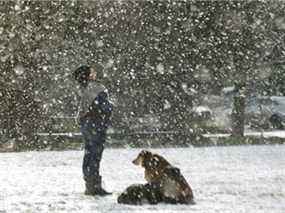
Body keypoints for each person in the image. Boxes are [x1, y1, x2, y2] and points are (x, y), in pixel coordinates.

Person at [73, 64, 113, 196]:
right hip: (96, 123)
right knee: (95, 154)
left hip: (87, 124)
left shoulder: (82, 88)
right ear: (89, 75)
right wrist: (110, 107)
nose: (95, 72)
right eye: (92, 71)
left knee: (89, 153)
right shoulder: (96, 87)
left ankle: (90, 184)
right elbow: (104, 106)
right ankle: (95, 186)